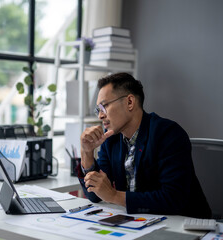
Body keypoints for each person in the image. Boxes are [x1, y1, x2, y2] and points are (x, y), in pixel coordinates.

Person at [77, 72, 211, 218]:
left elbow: (173, 199)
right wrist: (87, 152)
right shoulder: (112, 139)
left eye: (104, 106)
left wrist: (114, 196)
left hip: (182, 224)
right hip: (140, 222)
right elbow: (95, 195)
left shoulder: (168, 134)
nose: (100, 116)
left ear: (130, 102)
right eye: (98, 110)